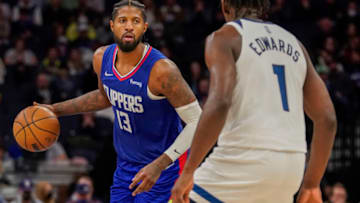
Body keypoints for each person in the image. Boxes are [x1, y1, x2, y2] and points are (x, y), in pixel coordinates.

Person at [171, 0, 337, 202]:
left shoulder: (224, 37)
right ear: (264, 6)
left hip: (244, 160)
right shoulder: (295, 44)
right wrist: (311, 183)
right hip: (290, 169)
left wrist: (189, 170)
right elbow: (327, 119)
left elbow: (220, 102)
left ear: (224, 6)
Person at [35, 0, 201, 202]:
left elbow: (197, 121)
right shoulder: (101, 58)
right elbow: (104, 97)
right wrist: (55, 109)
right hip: (125, 168)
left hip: (164, 170)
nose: (129, 26)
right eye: (123, 20)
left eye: (136, 21)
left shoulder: (162, 70)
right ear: (112, 25)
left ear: (144, 27)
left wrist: (160, 164)